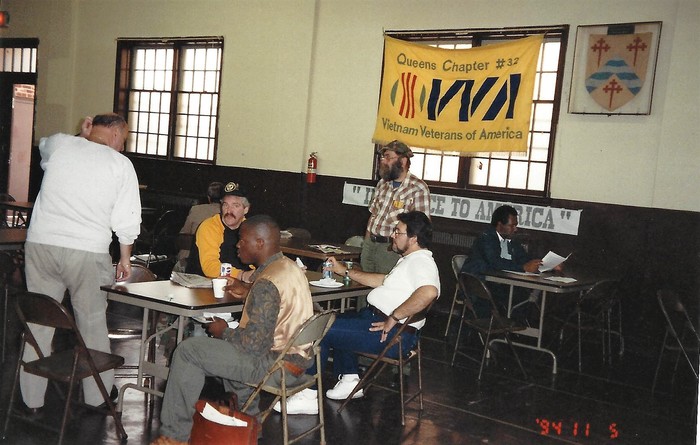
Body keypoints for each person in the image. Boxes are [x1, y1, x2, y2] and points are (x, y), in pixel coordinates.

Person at [150, 215, 314, 445]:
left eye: (242, 240)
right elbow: (282, 304)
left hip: (275, 366)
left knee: (189, 351)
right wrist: (248, 292)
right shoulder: (288, 267)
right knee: (226, 355)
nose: (238, 245)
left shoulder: (266, 284)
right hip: (298, 361)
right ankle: (250, 423)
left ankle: (173, 436)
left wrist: (223, 331)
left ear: (260, 243)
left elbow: (253, 346)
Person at [22, 113, 141, 411]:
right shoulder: (120, 164)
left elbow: (44, 147)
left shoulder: (61, 145)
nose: (123, 146)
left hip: (41, 245)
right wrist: (125, 258)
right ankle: (97, 398)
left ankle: (30, 401)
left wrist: (81, 135)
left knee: (39, 322)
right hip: (87, 251)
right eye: (124, 140)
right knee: (92, 325)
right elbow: (126, 219)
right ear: (116, 134)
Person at [276, 211, 440, 415]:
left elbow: (429, 292)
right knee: (332, 319)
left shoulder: (421, 262)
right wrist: (343, 270)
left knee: (318, 329)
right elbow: (382, 280)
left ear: (413, 238)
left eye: (398, 232)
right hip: (375, 320)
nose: (393, 235)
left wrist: (394, 316)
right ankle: (349, 378)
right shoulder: (410, 260)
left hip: (393, 334)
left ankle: (307, 395)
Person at [361, 140, 431, 275]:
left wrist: (405, 252)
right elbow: (373, 215)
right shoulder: (382, 183)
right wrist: (367, 241)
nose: (383, 161)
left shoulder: (417, 188)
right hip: (370, 245)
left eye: (388, 157)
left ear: (403, 161)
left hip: (392, 249)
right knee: (363, 284)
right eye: (383, 157)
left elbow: (421, 228)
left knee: (386, 286)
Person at [460, 204, 544, 315]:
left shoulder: (512, 241)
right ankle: (510, 322)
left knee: (524, 296)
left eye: (516, 225)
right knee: (519, 297)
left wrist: (544, 264)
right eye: (512, 226)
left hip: (502, 284)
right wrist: (523, 268)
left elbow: (524, 258)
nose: (515, 229)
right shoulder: (486, 239)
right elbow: (496, 263)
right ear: (500, 225)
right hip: (481, 286)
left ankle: (514, 322)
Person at [185, 181, 254, 281]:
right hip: (203, 283)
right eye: (225, 205)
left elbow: (255, 261)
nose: (229, 211)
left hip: (236, 283)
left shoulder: (250, 229)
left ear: (246, 209)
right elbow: (210, 267)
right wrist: (241, 275)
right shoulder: (209, 227)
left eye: (235, 205)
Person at [172, 181, 224, 272]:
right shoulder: (227, 213)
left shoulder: (196, 209)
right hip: (218, 260)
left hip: (189, 260)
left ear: (208, 197)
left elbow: (183, 235)